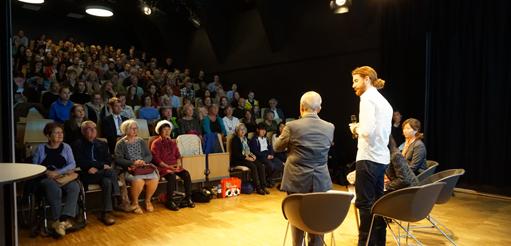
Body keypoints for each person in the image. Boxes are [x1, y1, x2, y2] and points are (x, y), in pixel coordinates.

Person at [273, 91, 334, 246]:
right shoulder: (329, 127)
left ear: (301, 107)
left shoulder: (292, 126)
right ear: (319, 109)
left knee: (297, 217)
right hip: (320, 180)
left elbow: (277, 147)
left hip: (296, 180)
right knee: (317, 218)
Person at [349, 66, 392, 246]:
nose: (353, 85)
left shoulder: (366, 99)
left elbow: (366, 131)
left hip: (367, 158)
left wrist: (355, 128)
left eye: (356, 80)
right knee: (378, 203)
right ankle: (379, 242)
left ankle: (364, 243)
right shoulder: (384, 101)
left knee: (364, 204)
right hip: (382, 159)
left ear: (367, 79)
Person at [32, 122, 80, 237]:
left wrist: (58, 172)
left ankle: (63, 220)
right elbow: (35, 166)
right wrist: (47, 172)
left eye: (61, 132)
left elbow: (72, 164)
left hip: (62, 177)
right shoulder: (40, 148)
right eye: (56, 133)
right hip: (46, 178)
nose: (60, 135)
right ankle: (57, 220)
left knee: (74, 187)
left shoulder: (66, 147)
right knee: (54, 188)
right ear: (48, 136)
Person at [72, 121, 121, 225]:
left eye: (94, 129)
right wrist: (92, 166)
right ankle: (117, 196)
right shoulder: (77, 144)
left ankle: (106, 213)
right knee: (111, 173)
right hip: (86, 173)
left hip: (101, 173)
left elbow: (108, 160)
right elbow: (79, 161)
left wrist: (98, 167)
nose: (93, 131)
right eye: (89, 129)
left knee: (107, 181)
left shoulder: (102, 144)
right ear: (83, 132)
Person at [114, 120, 159, 214]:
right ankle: (135, 203)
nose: (135, 130)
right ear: (126, 130)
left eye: (136, 128)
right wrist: (133, 162)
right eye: (132, 128)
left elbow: (149, 155)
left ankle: (148, 201)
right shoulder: (120, 143)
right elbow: (118, 159)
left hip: (143, 167)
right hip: (130, 169)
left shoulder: (141, 141)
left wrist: (143, 161)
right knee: (139, 181)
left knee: (154, 178)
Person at [150, 120, 195, 211]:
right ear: (160, 131)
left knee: (186, 174)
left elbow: (178, 155)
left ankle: (188, 198)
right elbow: (156, 159)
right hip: (162, 167)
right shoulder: (156, 143)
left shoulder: (173, 142)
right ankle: (169, 201)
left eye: (169, 129)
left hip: (173, 165)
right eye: (164, 130)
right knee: (171, 176)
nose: (167, 132)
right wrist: (167, 166)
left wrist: (178, 164)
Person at [230, 123, 269, 195]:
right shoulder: (235, 140)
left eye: (244, 129)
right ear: (237, 131)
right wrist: (247, 158)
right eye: (240, 129)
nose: (242, 131)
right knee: (253, 166)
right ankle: (258, 188)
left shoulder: (246, 139)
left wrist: (252, 155)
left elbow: (249, 151)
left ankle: (263, 186)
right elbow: (236, 154)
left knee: (260, 165)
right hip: (239, 160)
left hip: (246, 158)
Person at [249, 123, 284, 187]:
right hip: (261, 157)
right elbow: (255, 152)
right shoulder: (254, 140)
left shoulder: (266, 139)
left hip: (269, 155)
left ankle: (269, 178)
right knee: (271, 166)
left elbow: (270, 148)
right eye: (262, 130)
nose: (263, 131)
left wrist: (272, 154)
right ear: (257, 130)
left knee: (280, 164)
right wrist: (266, 156)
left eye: (264, 130)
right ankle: (267, 180)